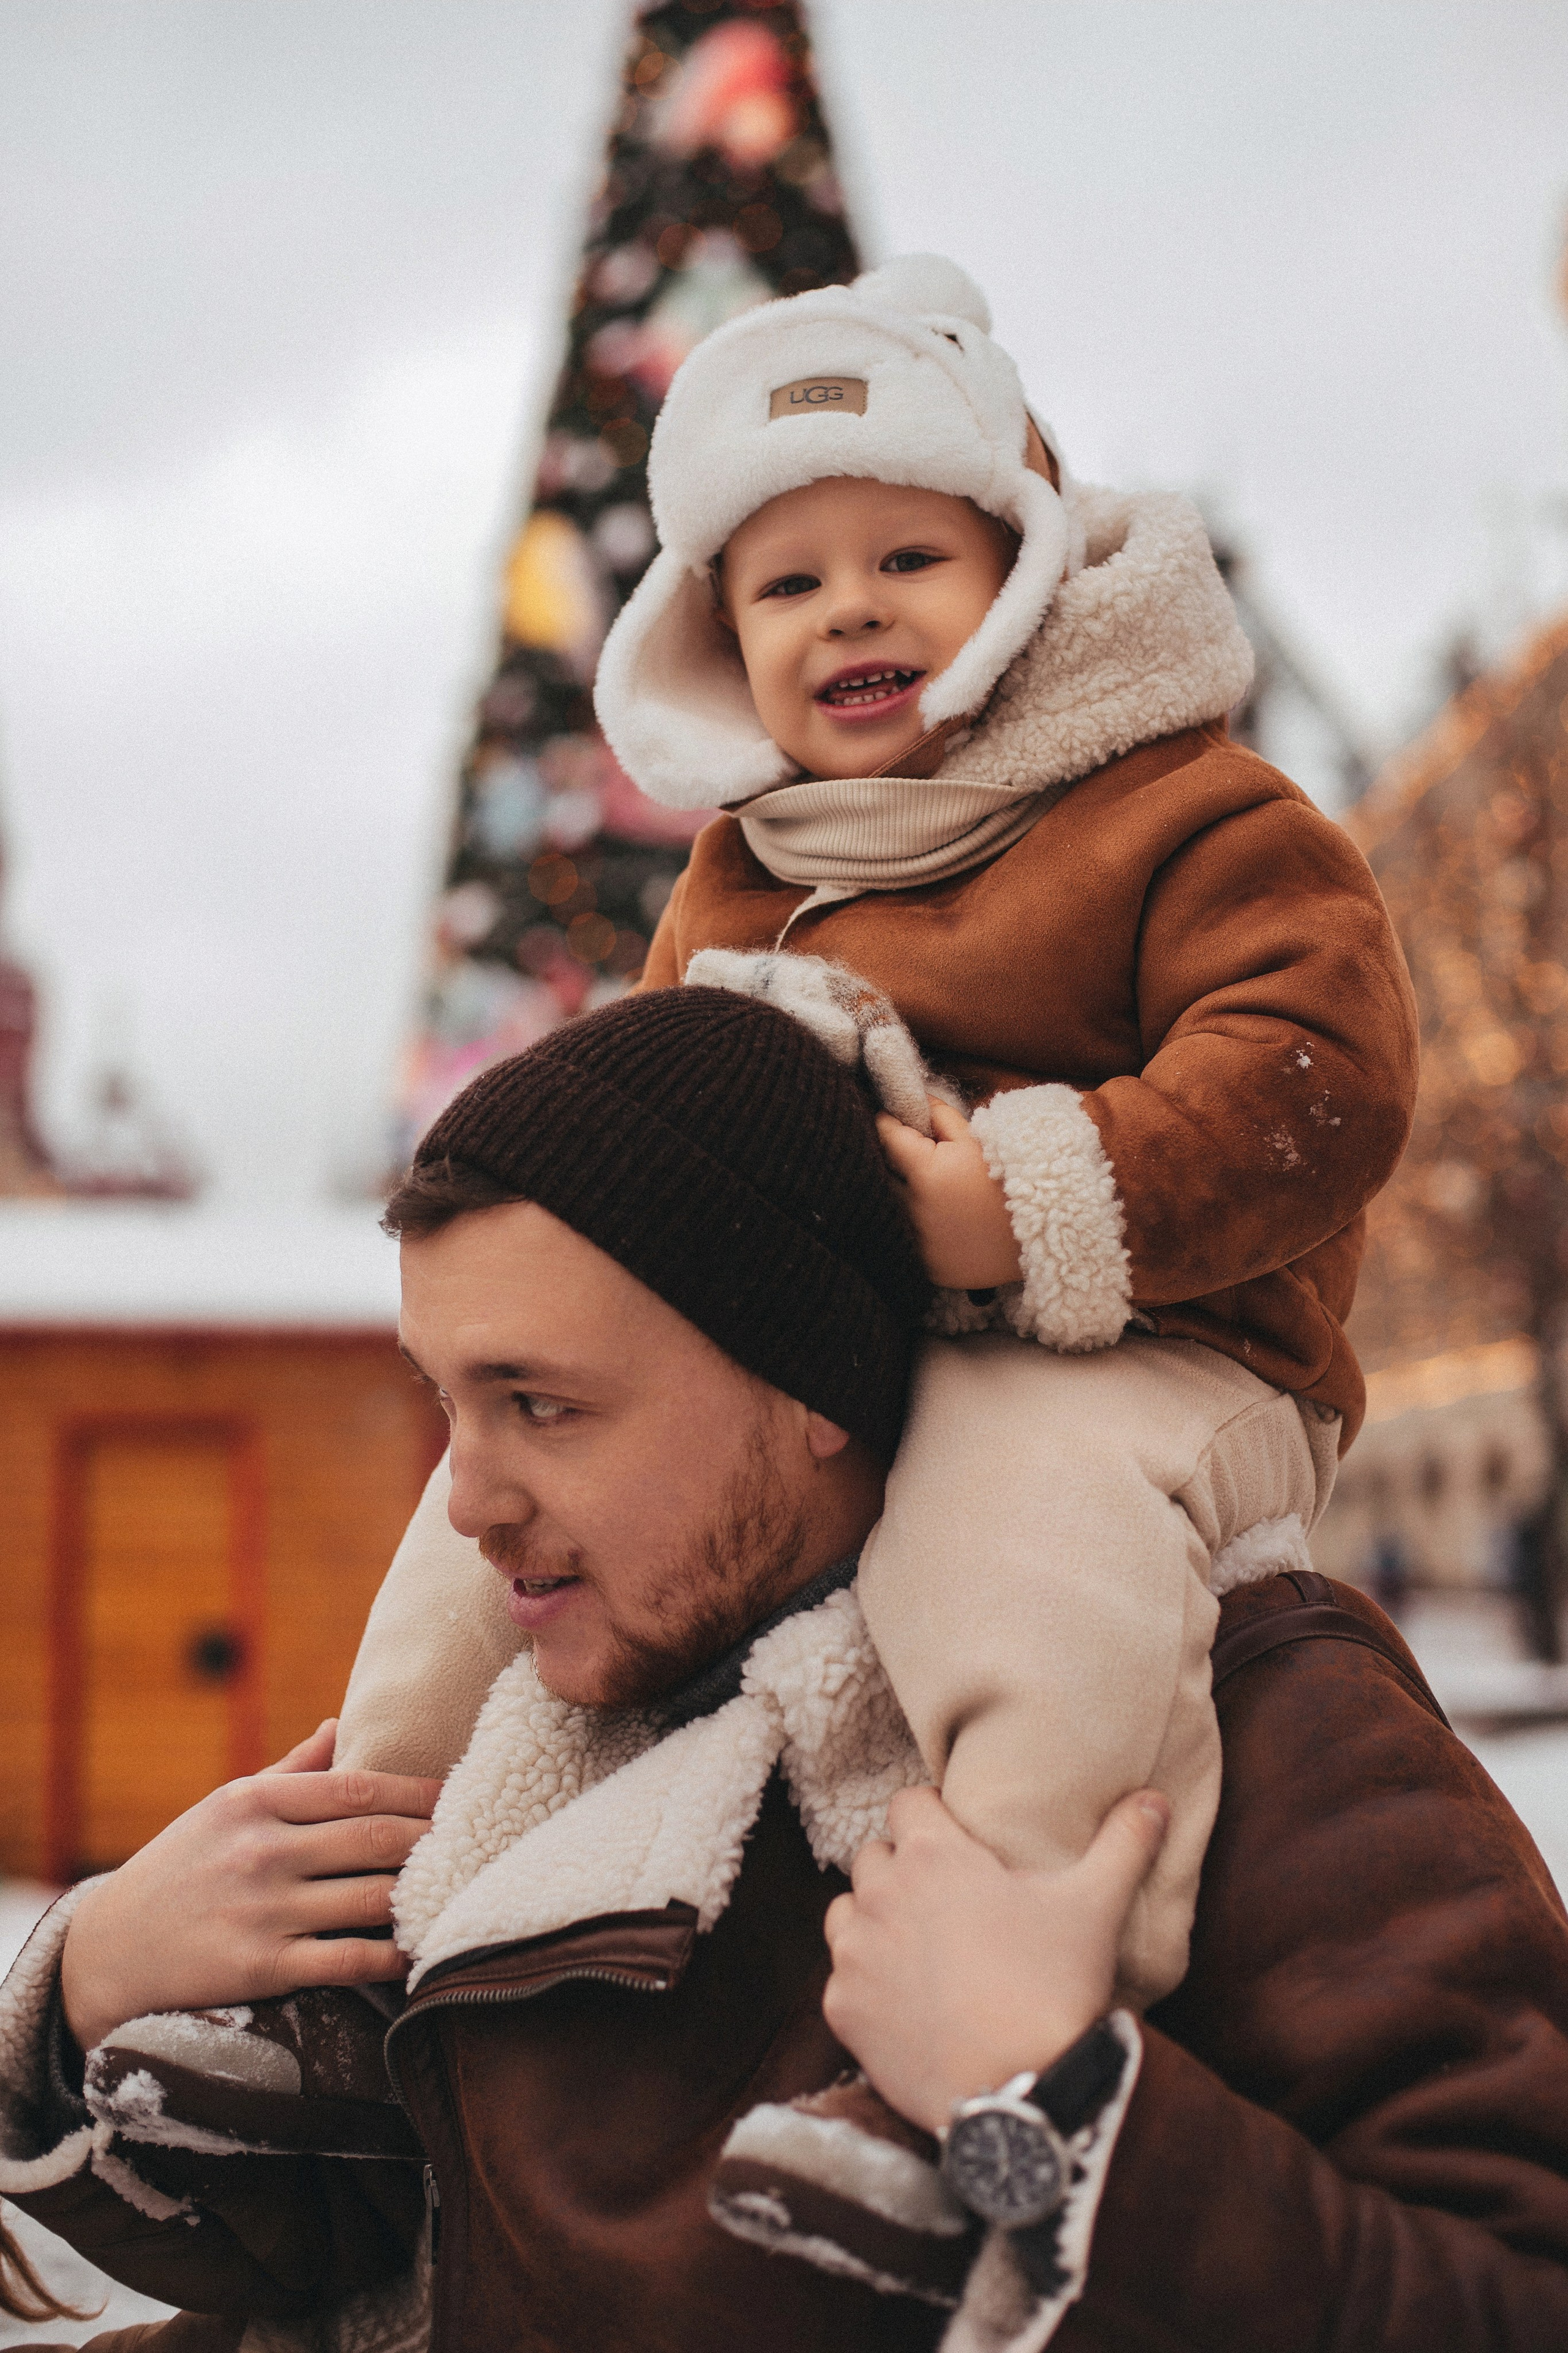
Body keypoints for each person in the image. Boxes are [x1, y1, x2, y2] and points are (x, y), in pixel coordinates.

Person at [322, 249, 1420, 2241]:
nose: (850, 608)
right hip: (849, 1360)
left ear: (1021, 571)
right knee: (486, 1529)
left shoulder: (1185, 806)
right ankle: (329, 1950)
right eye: (787, 582)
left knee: (1028, 1533)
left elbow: (1316, 1074)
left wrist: (1030, 1194)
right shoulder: (743, 874)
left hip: (1165, 1352)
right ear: (717, 636)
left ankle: (989, 2022)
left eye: (909, 558)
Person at [4, 990, 1568, 2353]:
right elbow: (372, 2263)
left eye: (541, 1404)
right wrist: (80, 2005)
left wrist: (1050, 2106)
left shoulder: (1244, 1715)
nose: (464, 1500)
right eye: (448, 1400)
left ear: (810, 1383)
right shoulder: (523, 1753)